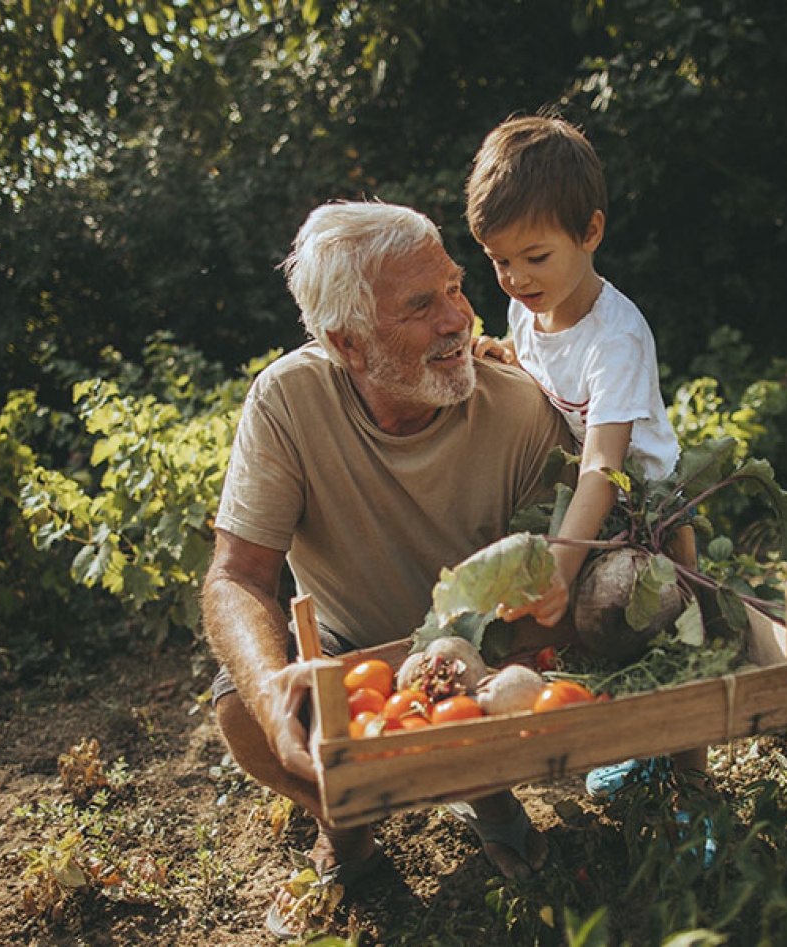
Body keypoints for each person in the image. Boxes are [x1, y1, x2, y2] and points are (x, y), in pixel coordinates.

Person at [201, 200, 571, 933]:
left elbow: (543, 602)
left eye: (456, 287)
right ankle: (350, 813)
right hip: (349, 655)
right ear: (348, 342)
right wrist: (278, 693)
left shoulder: (521, 412)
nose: (457, 318)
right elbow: (237, 575)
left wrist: (438, 667)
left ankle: (482, 787)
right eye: (419, 305)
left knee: (519, 686)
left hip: (480, 655)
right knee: (243, 710)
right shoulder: (288, 400)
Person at [465, 116, 709, 804]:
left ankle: (693, 785)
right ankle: (638, 756)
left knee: (675, 650)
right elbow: (547, 370)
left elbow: (605, 462)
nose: (514, 278)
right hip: (593, 505)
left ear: (590, 233)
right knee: (599, 644)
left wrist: (563, 559)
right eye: (498, 260)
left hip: (654, 510)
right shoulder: (529, 311)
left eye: (534, 257)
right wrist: (506, 355)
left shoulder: (617, 336)